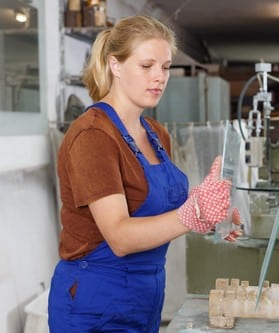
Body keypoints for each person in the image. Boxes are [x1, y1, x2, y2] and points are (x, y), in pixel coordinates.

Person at [48, 15, 241, 332]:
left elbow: (155, 208)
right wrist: (192, 213)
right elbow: (120, 237)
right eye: (146, 65)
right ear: (116, 65)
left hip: (145, 296)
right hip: (95, 302)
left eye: (165, 67)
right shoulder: (93, 136)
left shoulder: (155, 133)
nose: (159, 77)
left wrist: (211, 211)